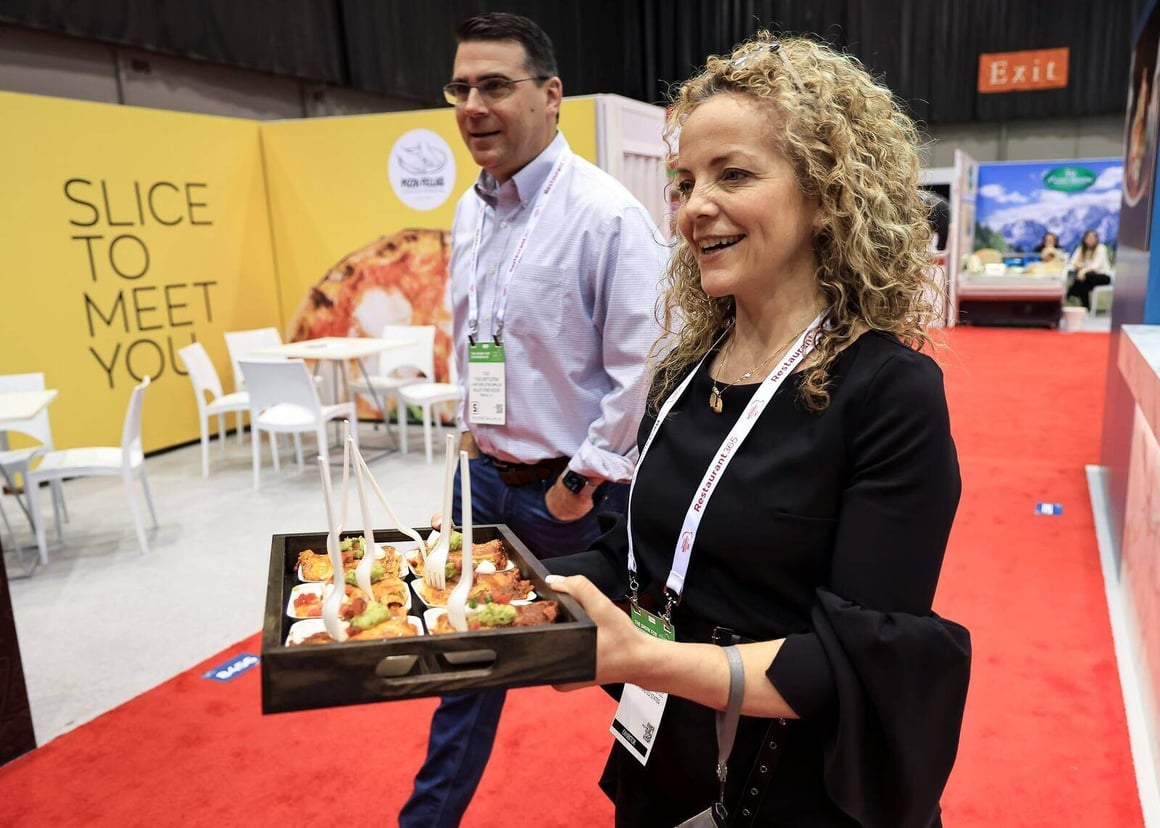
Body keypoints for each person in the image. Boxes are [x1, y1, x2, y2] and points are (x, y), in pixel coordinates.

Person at [547, 33, 971, 827]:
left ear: (825, 195)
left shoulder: (889, 394)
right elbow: (642, 553)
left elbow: (857, 659)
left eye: (732, 174)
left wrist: (650, 659)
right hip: (663, 765)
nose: (694, 206)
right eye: (684, 181)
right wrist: (509, 590)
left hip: (791, 792)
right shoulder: (682, 372)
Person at [399, 12, 666, 827]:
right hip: (479, 482)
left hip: (568, 495)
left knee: (629, 669)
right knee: (465, 671)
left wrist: (579, 484)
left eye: (495, 87)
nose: (474, 105)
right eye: (461, 88)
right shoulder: (471, 211)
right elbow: (479, 333)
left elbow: (639, 368)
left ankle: (692, 798)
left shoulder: (608, 216)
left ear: (551, 96)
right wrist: (472, 442)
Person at [1066, 229, 1113, 309]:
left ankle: (1070, 294)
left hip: (1102, 276)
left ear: (1096, 239)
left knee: (1084, 277)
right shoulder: (1080, 249)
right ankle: (1085, 308)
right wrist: (1080, 267)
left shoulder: (1101, 248)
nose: (1089, 240)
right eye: (1088, 238)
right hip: (1087, 278)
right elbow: (1072, 262)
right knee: (1084, 283)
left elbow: (1095, 266)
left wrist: (1082, 271)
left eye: (1092, 238)